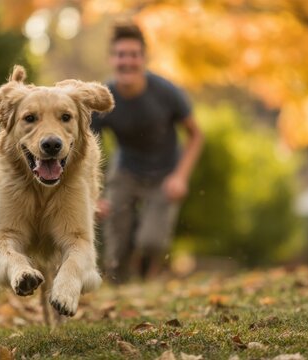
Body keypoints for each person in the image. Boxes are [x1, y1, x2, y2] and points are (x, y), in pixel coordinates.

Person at [91, 22, 204, 283]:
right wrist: (94, 195)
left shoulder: (166, 92)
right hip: (126, 171)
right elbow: (88, 150)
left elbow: (196, 135)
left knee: (151, 241)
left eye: (133, 55)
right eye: (121, 55)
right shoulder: (103, 100)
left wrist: (181, 177)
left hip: (165, 174)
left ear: (143, 59)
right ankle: (120, 292)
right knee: (116, 251)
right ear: (112, 59)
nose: (127, 61)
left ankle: (148, 278)